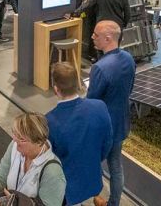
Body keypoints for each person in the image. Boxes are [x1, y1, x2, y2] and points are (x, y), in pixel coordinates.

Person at [47, 62, 112, 206]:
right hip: (92, 180)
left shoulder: (49, 122)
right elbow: (107, 144)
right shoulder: (100, 107)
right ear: (77, 83)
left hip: (66, 191)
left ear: (56, 89)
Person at [86, 21, 135, 206]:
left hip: (102, 129)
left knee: (92, 163)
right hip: (120, 124)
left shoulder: (100, 67)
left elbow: (92, 102)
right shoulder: (128, 59)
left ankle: (92, 195)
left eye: (96, 35)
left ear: (108, 38)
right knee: (116, 166)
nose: (92, 37)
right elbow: (129, 89)